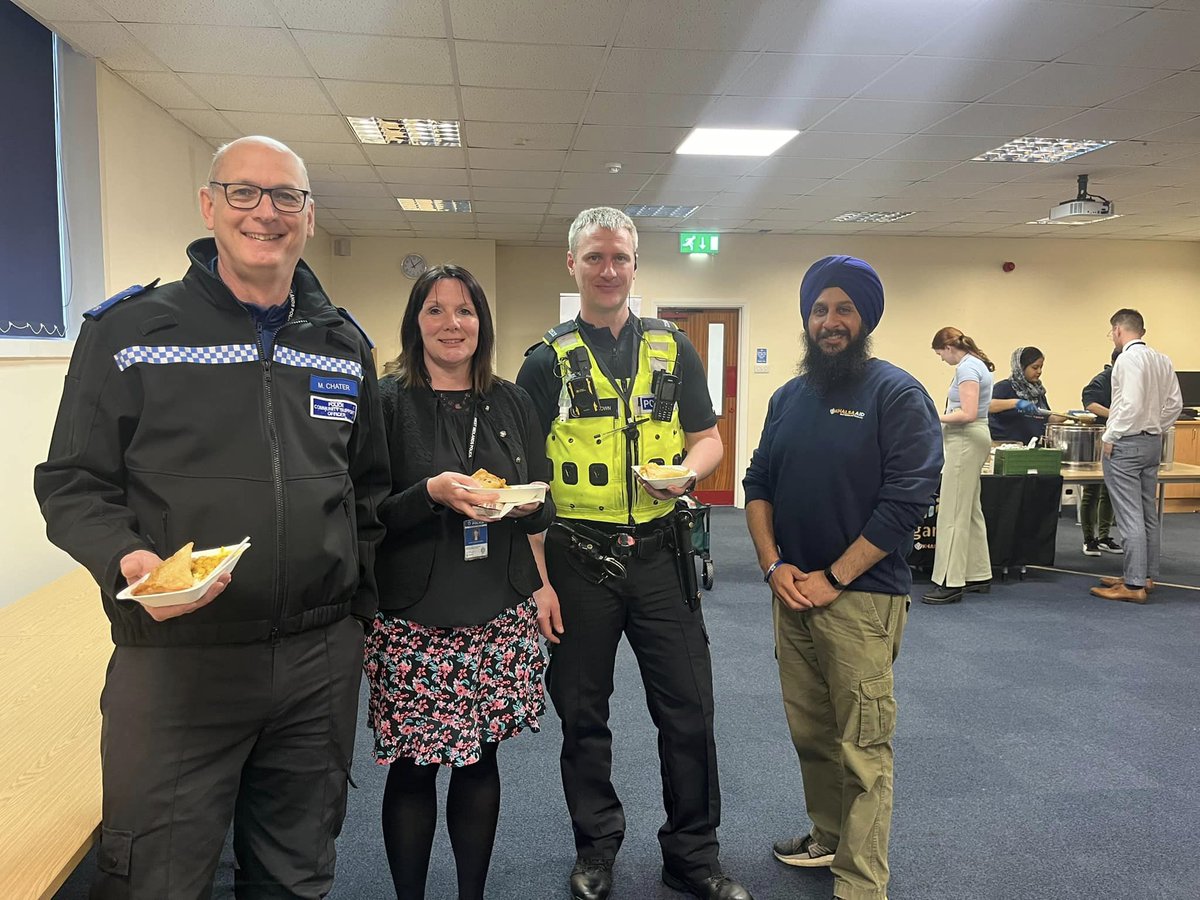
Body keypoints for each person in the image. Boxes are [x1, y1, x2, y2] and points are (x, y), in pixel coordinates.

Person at [33, 136, 390, 898]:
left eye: (285, 196)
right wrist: (130, 561)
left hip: (315, 664)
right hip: (176, 660)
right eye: (244, 193)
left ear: (309, 216)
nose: (266, 212)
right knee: (160, 877)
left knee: (297, 875)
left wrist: (354, 618)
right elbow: (72, 483)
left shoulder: (342, 346)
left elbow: (366, 492)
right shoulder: (129, 334)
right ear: (209, 205)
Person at [516, 207, 752, 900]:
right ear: (573, 264)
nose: (608, 270)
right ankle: (597, 849)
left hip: (660, 556)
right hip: (576, 561)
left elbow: (708, 437)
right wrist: (539, 584)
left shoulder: (672, 348)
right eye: (595, 258)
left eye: (619, 257)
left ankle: (692, 853)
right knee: (584, 716)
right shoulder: (544, 362)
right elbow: (527, 484)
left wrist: (689, 469)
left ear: (634, 265)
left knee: (689, 711)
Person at [744, 256, 942, 900]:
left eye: (844, 309)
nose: (830, 321)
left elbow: (907, 500)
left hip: (860, 598)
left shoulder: (896, 393)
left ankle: (861, 882)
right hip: (794, 593)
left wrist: (834, 575)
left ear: (866, 319)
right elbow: (758, 484)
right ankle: (828, 836)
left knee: (862, 743)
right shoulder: (788, 397)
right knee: (812, 732)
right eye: (820, 309)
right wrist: (773, 564)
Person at [365, 264, 555, 900]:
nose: (453, 324)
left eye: (465, 311)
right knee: (414, 769)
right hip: (412, 613)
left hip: (495, 608)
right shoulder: (386, 400)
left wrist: (529, 507)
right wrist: (431, 493)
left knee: (479, 761)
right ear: (415, 323)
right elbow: (366, 511)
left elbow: (544, 499)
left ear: (484, 323)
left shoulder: (512, 400)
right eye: (436, 311)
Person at [1091, 309, 1182, 604]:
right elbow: (1174, 405)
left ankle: (1132, 586)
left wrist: (1110, 436)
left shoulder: (1127, 360)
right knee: (1146, 513)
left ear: (1118, 330)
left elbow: (1127, 405)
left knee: (1129, 515)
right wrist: (1156, 426)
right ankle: (1144, 575)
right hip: (1153, 443)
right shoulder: (1161, 359)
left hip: (1127, 445)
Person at [923, 327, 996, 604]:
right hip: (973, 437)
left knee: (952, 511)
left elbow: (967, 413)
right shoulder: (976, 364)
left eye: (940, 354)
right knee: (970, 508)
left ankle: (949, 581)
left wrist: (933, 416)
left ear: (949, 348)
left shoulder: (966, 369)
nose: (942, 359)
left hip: (964, 439)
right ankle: (978, 573)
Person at [1079, 349, 1123, 556]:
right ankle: (1089, 539)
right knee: (1092, 490)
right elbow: (1090, 403)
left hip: (1120, 439)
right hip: (1100, 438)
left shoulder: (1130, 378)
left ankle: (1104, 537)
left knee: (1109, 490)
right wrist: (1115, 415)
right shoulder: (1103, 379)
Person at [988, 346, 1065, 442]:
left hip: (1033, 448)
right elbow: (987, 406)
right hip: (1010, 448)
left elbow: (1045, 418)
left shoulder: (1038, 392)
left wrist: (1066, 416)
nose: (1039, 371)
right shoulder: (1005, 387)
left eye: (1041, 367)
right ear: (1021, 367)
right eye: (1035, 367)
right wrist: (1016, 403)